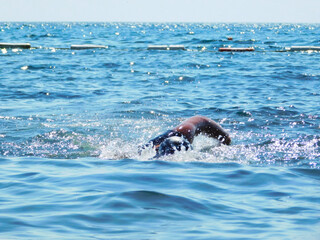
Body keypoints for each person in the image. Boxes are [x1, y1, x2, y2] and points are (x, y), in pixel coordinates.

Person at [139, 115, 231, 158]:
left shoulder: (187, 129)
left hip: (203, 124)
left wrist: (226, 140)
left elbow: (200, 119)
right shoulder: (186, 130)